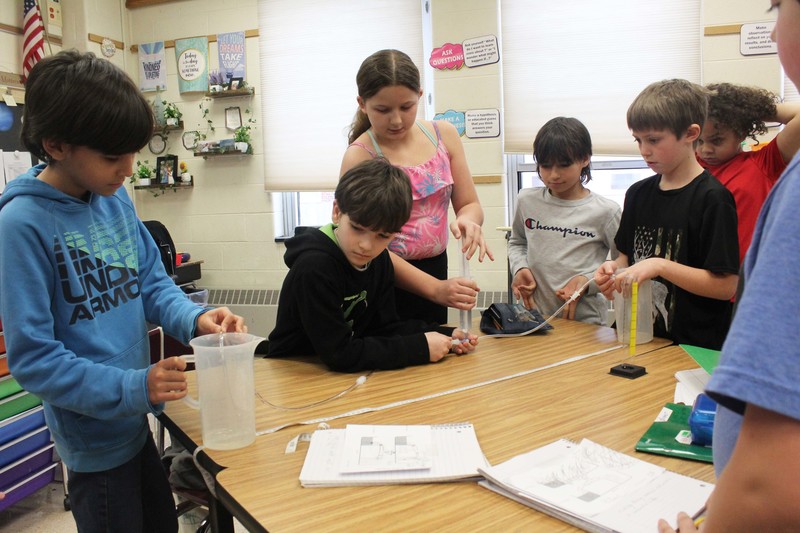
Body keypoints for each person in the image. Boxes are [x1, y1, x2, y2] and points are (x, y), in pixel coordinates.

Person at [0, 50, 245, 533]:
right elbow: (34, 360)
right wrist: (134, 386)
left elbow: (153, 284)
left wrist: (196, 319)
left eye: (134, 152)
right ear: (56, 144)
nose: (129, 168)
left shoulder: (113, 199)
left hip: (137, 422)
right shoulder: (20, 224)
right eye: (113, 156)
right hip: (94, 444)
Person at [659, 2, 800, 531]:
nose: (709, 150)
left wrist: (758, 108)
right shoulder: (695, 179)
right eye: (700, 138)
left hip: (745, 295)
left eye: (779, 8)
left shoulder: (764, 159)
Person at [267, 158, 477, 372]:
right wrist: (419, 347)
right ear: (337, 211)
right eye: (357, 228)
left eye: (382, 235)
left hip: (331, 373)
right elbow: (339, 354)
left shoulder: (379, 260)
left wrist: (444, 335)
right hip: (293, 371)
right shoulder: (314, 268)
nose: (366, 246)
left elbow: (383, 327)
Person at [340, 49, 493, 324]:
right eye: (383, 110)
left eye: (406, 107)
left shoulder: (443, 135)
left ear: (420, 96)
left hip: (436, 268)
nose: (396, 120)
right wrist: (434, 289)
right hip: (383, 272)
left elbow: (469, 204)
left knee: (435, 354)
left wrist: (469, 222)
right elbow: (357, 237)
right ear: (362, 103)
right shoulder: (360, 155)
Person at [594, 79, 739, 350]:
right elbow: (626, 256)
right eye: (638, 140)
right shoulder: (637, 194)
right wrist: (615, 272)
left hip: (693, 347)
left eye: (653, 140)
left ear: (691, 133)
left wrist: (660, 265)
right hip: (639, 339)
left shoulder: (713, 199)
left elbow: (726, 286)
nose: (644, 150)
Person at [508, 117, 620, 325]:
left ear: (585, 159)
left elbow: (622, 264)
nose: (554, 175)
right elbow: (517, 242)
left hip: (585, 322)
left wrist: (588, 281)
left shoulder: (606, 211)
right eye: (545, 165)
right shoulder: (526, 200)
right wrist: (520, 268)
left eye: (564, 165)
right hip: (535, 317)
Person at [696, 82, 800, 263]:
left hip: (750, 277)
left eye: (717, 141)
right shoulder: (692, 168)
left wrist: (744, 111)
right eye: (698, 141)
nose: (706, 150)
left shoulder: (764, 163)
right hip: (704, 278)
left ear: (742, 132)